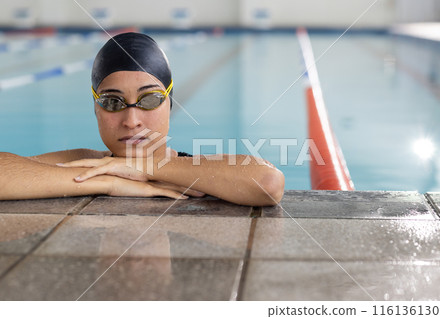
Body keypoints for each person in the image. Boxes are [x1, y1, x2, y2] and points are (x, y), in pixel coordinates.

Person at [0, 32, 284, 206]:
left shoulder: (195, 170)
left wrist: (147, 168)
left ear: (169, 104)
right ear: (96, 109)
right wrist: (109, 181)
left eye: (149, 99)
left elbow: (268, 183)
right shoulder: (89, 163)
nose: (131, 120)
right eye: (113, 102)